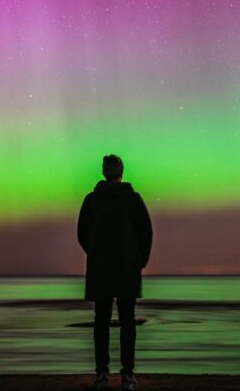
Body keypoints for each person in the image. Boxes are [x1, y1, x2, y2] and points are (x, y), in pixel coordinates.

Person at [77, 154, 153, 390]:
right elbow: (146, 233)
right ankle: (127, 375)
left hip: (101, 269)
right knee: (127, 322)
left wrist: (96, 253)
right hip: (126, 269)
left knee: (101, 321)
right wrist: (139, 260)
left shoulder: (92, 200)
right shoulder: (132, 199)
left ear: (104, 172)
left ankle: (102, 374)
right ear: (122, 173)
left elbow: (82, 234)